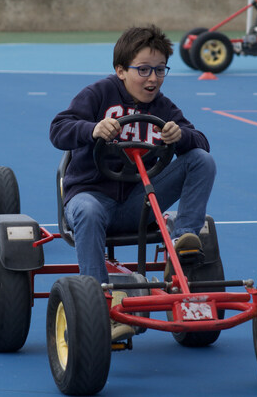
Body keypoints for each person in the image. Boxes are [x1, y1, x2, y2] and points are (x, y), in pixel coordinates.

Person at [49, 25, 216, 342]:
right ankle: (98, 305)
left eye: (160, 70)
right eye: (143, 70)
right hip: (92, 199)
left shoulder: (163, 107)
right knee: (87, 209)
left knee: (201, 160)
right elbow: (58, 129)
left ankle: (184, 241)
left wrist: (181, 137)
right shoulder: (98, 94)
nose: (153, 79)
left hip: (139, 205)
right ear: (121, 70)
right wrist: (93, 129)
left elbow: (201, 143)